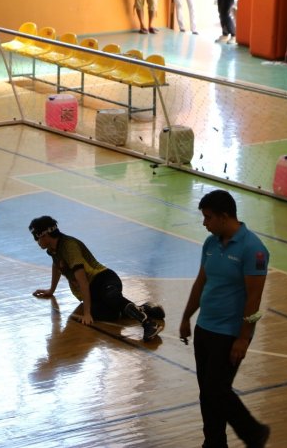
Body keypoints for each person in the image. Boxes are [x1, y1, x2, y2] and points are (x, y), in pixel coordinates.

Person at [179, 190, 270, 448]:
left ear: (224, 216)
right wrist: (187, 317)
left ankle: (253, 432)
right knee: (208, 395)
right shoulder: (211, 244)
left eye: (208, 217)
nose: (204, 223)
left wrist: (244, 338)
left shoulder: (253, 250)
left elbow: (254, 299)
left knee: (216, 389)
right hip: (205, 328)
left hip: (229, 333)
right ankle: (214, 443)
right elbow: (201, 283)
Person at [29, 215, 165, 342]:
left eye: (37, 238)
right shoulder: (53, 249)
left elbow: (82, 281)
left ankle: (148, 323)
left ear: (45, 235)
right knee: (101, 313)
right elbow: (57, 265)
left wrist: (87, 313)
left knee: (110, 298)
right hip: (92, 289)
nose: (37, 242)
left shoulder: (69, 246)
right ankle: (144, 308)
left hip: (104, 279)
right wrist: (51, 290)